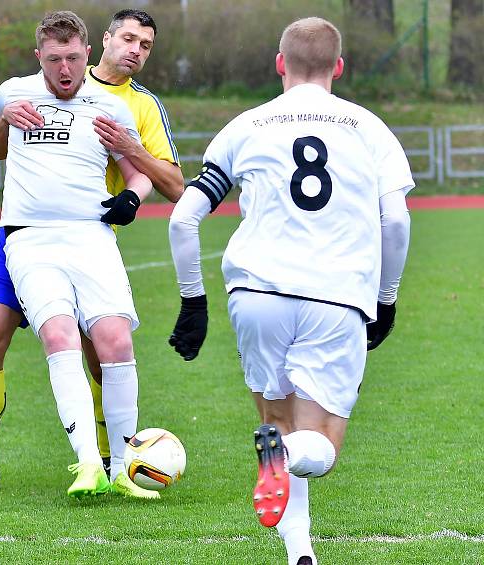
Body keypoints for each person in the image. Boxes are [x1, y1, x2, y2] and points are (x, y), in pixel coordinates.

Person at [167, 17, 412, 565]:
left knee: (276, 426)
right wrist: (387, 298)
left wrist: (193, 300)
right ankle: (291, 461)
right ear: (338, 67)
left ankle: (300, 554)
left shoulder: (246, 125)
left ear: (280, 63)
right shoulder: (369, 128)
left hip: (255, 293)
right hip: (336, 295)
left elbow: (183, 221)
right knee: (317, 448)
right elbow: (395, 222)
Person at [0, 9, 182, 496]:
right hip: (27, 238)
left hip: (92, 237)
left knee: (113, 343)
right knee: (39, 337)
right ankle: (74, 465)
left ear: (86, 53)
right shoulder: (14, 93)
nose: (64, 69)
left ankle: (123, 469)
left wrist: (133, 195)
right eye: (54, 59)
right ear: (39, 57)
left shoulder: (119, 106)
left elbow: (145, 170)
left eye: (71, 58)